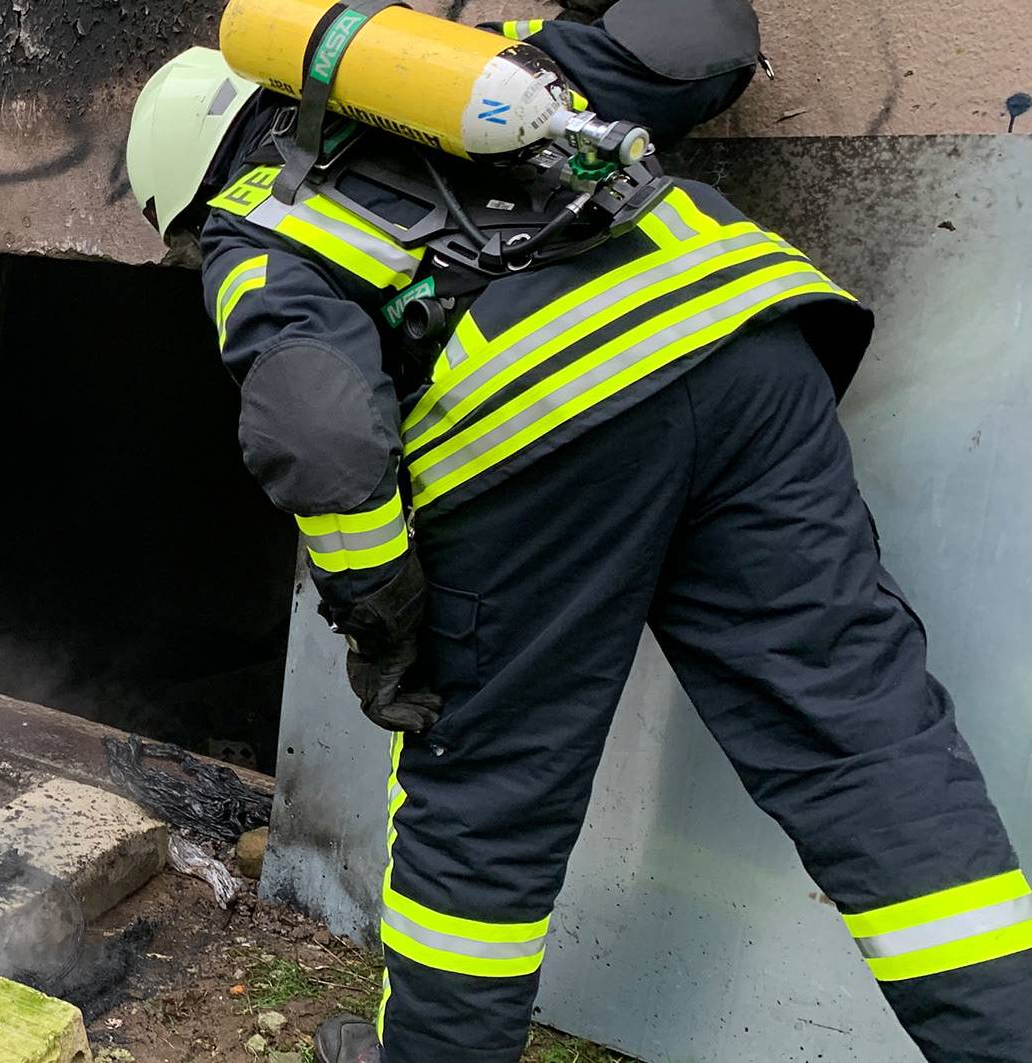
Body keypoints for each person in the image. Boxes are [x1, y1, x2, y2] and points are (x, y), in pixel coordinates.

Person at [126, 1, 1032, 1059]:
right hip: (746, 360)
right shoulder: (488, 81)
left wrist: (381, 614)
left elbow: (319, 434)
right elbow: (704, 40)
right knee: (865, 743)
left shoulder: (255, 222)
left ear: (188, 183)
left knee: (486, 801)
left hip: (547, 446)